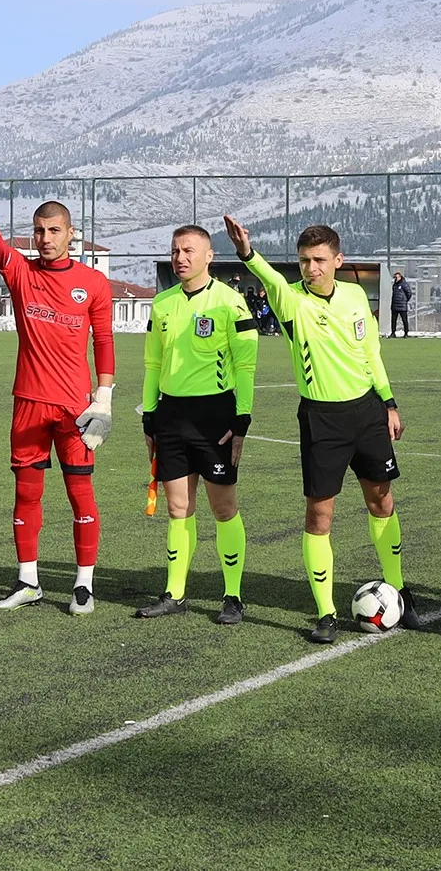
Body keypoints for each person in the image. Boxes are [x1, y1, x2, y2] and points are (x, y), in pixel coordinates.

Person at [223, 214, 421, 644]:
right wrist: (247, 253)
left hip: (368, 413)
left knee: (381, 501)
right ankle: (327, 612)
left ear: (337, 260)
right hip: (321, 419)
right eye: (304, 261)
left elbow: (371, 353)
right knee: (319, 514)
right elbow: (271, 278)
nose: (310, 269)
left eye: (318, 260)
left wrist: (388, 402)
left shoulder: (353, 296)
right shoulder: (290, 300)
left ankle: (400, 592)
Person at [0, 154, 115, 615]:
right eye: (39, 231)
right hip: (29, 402)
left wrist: (103, 398)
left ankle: (83, 584)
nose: (45, 239)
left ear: (71, 234)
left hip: (75, 410)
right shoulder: (21, 273)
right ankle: (28, 581)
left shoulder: (93, 284)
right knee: (26, 494)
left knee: (79, 494)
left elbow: (104, 340)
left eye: (54, 231)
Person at [138, 225, 258, 624]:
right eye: (175, 251)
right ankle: (175, 593)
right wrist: (150, 415)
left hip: (215, 418)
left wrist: (242, 419)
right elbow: (153, 363)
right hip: (171, 417)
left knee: (223, 509)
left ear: (209, 256)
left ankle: (233, 596)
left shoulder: (231, 303)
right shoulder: (163, 304)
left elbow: (245, 365)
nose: (180, 258)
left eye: (188, 250)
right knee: (178, 508)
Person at [390, 271, 412, 338]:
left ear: (400, 277)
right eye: (395, 278)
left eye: (396, 277)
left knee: (404, 320)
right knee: (393, 320)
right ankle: (393, 333)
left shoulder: (404, 284)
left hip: (402, 306)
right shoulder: (394, 285)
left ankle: (406, 333)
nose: (395, 279)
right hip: (394, 305)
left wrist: (404, 300)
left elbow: (409, 293)